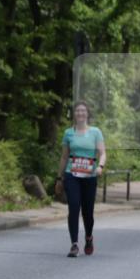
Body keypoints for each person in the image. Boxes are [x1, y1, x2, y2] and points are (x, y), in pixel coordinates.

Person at [56, 100, 106, 257]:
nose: (80, 113)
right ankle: (74, 244)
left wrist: (100, 167)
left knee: (88, 212)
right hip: (72, 175)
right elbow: (64, 157)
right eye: (77, 111)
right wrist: (59, 177)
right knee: (74, 207)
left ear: (87, 114)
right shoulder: (68, 133)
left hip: (90, 176)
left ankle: (89, 237)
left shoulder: (95, 132)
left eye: (83, 111)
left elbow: (103, 153)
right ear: (74, 114)